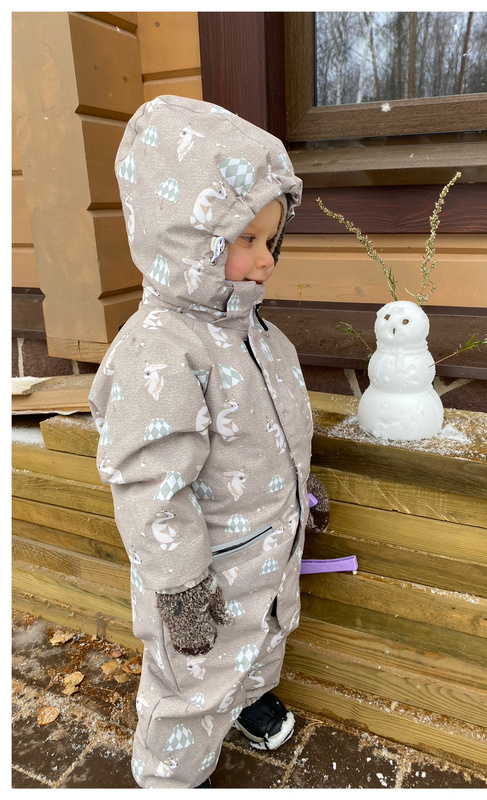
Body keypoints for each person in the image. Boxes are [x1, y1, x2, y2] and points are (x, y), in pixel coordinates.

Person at [88, 95, 329, 788]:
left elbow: (279, 429)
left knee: (262, 641)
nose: (266, 261)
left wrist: (302, 489)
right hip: (204, 574)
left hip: (269, 554)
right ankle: (169, 775)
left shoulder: (259, 335)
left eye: (270, 240)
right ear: (187, 242)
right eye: (245, 241)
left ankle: (246, 698)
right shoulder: (159, 352)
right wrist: (181, 588)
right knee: (189, 688)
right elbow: (147, 484)